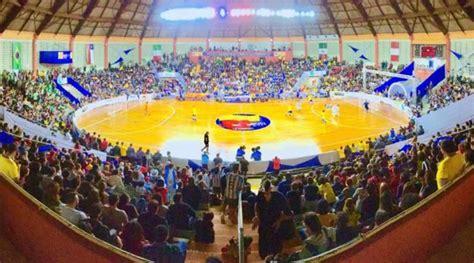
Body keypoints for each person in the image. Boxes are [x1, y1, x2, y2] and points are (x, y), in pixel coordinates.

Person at [253, 180, 293, 259]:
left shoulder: (279, 197)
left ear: (271, 190)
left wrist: (279, 220)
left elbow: (290, 214)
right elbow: (256, 205)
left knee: (275, 252)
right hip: (263, 228)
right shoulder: (260, 195)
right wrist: (257, 216)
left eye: (268, 194)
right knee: (263, 253)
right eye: (264, 194)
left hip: (275, 228)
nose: (266, 196)